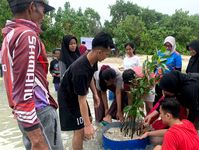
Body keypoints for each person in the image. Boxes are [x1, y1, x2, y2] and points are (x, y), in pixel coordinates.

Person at [1, 0, 63, 149]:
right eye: (43, 10)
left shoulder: (10, 35)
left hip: (25, 116)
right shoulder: (27, 35)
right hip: (38, 114)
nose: (44, 16)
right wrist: (36, 138)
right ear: (31, 7)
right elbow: (24, 89)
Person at [58, 32, 114, 150]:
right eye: (107, 54)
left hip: (77, 94)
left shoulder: (92, 59)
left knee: (88, 119)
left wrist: (95, 94)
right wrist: (87, 125)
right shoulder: (80, 70)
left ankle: (82, 143)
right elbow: (81, 99)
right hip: (68, 98)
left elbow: (90, 78)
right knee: (79, 129)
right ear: (99, 52)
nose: (107, 56)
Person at [158, 71, 199, 150]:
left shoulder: (188, 89)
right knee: (192, 128)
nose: (164, 92)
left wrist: (188, 125)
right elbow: (166, 104)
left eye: (165, 90)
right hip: (198, 97)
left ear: (172, 87)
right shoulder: (178, 85)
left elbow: (193, 110)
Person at [154, 36, 182, 105]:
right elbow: (155, 65)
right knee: (158, 97)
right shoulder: (160, 53)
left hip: (169, 81)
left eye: (169, 46)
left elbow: (178, 71)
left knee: (167, 100)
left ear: (173, 45)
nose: (167, 48)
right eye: (165, 45)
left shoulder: (177, 55)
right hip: (159, 79)